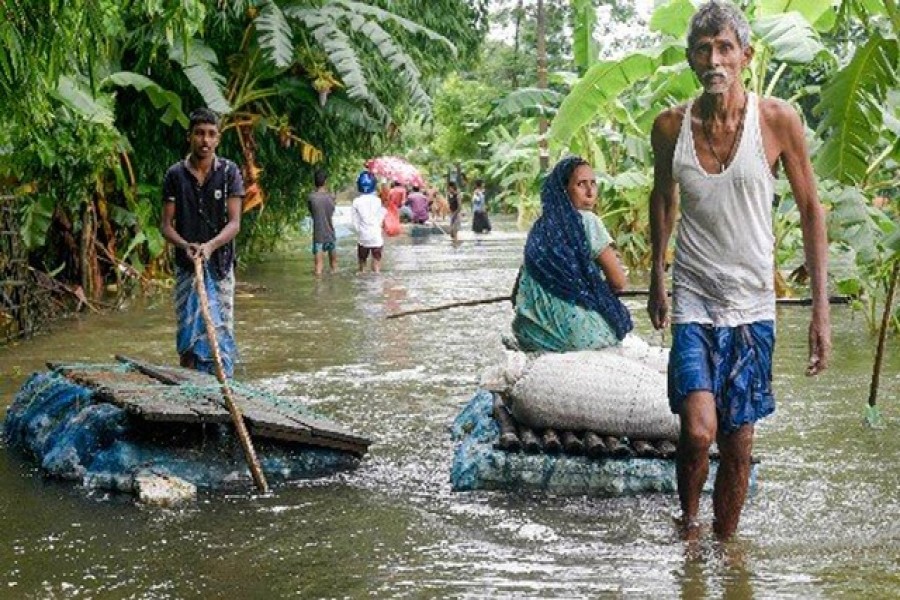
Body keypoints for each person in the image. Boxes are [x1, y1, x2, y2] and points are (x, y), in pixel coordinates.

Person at [647, 1, 831, 541]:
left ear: (746, 56)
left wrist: (821, 313)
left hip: (752, 303)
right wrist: (657, 275)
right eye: (703, 49)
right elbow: (662, 199)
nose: (714, 59)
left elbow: (811, 210)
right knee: (699, 431)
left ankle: (725, 548)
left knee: (739, 443)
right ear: (689, 60)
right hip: (694, 300)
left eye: (725, 47)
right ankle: (688, 525)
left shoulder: (776, 121)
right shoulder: (669, 127)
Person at [511, 156, 632, 352]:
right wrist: (595, 291)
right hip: (577, 337)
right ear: (563, 190)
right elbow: (618, 282)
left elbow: (516, 293)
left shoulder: (540, 228)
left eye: (593, 183)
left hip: (528, 334)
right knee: (616, 326)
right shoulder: (589, 221)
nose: (590, 192)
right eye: (581, 184)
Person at [161, 107, 245, 375]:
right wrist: (186, 246)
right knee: (187, 331)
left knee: (220, 330)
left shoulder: (229, 172)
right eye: (199, 134)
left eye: (211, 134)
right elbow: (165, 225)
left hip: (220, 265)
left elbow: (234, 223)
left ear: (218, 139)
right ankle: (189, 384)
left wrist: (210, 246)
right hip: (187, 266)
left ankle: (222, 383)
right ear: (190, 137)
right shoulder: (175, 174)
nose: (205, 140)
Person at [351, 170, 387, 273]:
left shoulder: (356, 201)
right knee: (376, 268)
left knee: (362, 267)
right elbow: (382, 216)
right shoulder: (378, 201)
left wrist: (361, 231)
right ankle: (376, 287)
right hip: (376, 237)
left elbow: (354, 222)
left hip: (363, 238)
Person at [307, 168, 337, 275]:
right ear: (325, 182)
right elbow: (332, 211)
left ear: (314, 182)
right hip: (330, 234)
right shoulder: (331, 197)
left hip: (318, 235)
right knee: (334, 267)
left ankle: (318, 289)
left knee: (318, 268)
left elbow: (311, 212)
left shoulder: (311, 197)